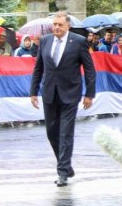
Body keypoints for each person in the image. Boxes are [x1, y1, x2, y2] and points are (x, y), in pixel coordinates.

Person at [30, 11, 96, 187]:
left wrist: (89, 94)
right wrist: (33, 92)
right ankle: (66, 166)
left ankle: (62, 172)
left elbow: (89, 70)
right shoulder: (45, 41)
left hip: (70, 94)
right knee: (52, 133)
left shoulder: (79, 42)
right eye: (55, 24)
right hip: (50, 93)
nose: (57, 27)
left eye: (60, 25)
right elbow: (38, 68)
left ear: (68, 26)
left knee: (65, 133)